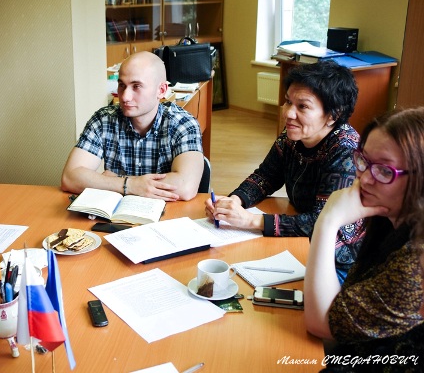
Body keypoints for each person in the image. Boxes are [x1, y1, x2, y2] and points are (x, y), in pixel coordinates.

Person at [205, 60, 364, 283]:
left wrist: (251, 221)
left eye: (303, 107)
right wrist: (234, 201)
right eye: (288, 101)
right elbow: (266, 175)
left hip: (337, 258)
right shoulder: (294, 135)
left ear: (333, 115)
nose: (288, 113)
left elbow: (321, 221)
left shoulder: (346, 151)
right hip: (302, 237)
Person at [304, 108, 424, 371]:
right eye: (364, 161)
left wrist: (328, 221)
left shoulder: (415, 263)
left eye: (384, 170)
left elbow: (322, 323)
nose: (365, 178)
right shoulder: (389, 221)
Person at [61, 51, 204, 201]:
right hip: (116, 213)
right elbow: (70, 177)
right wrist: (129, 184)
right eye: (122, 85)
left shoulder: (183, 124)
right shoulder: (103, 120)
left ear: (161, 90)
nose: (124, 97)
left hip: (167, 212)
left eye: (136, 86)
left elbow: (186, 187)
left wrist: (113, 180)